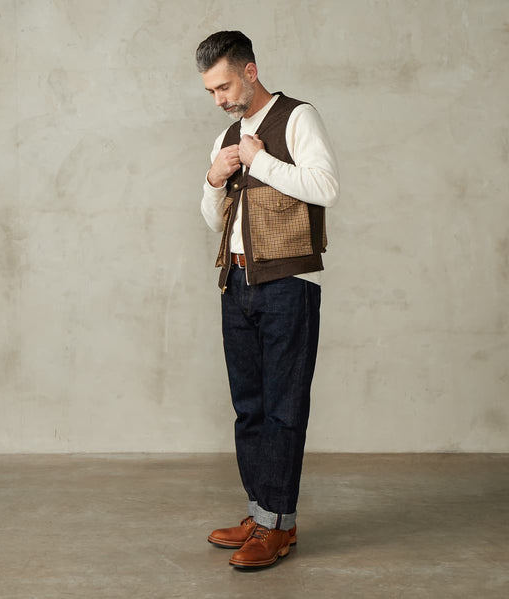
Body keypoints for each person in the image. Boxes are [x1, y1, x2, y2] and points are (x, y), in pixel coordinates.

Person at [196, 30, 339, 569]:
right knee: (249, 408)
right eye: (211, 91)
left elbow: (325, 187)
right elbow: (215, 221)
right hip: (235, 283)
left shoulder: (297, 117)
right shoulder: (227, 136)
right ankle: (262, 515)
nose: (219, 99)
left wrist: (259, 162)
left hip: (287, 283)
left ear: (250, 72)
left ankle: (277, 525)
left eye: (224, 87)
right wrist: (214, 178)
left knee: (283, 408)